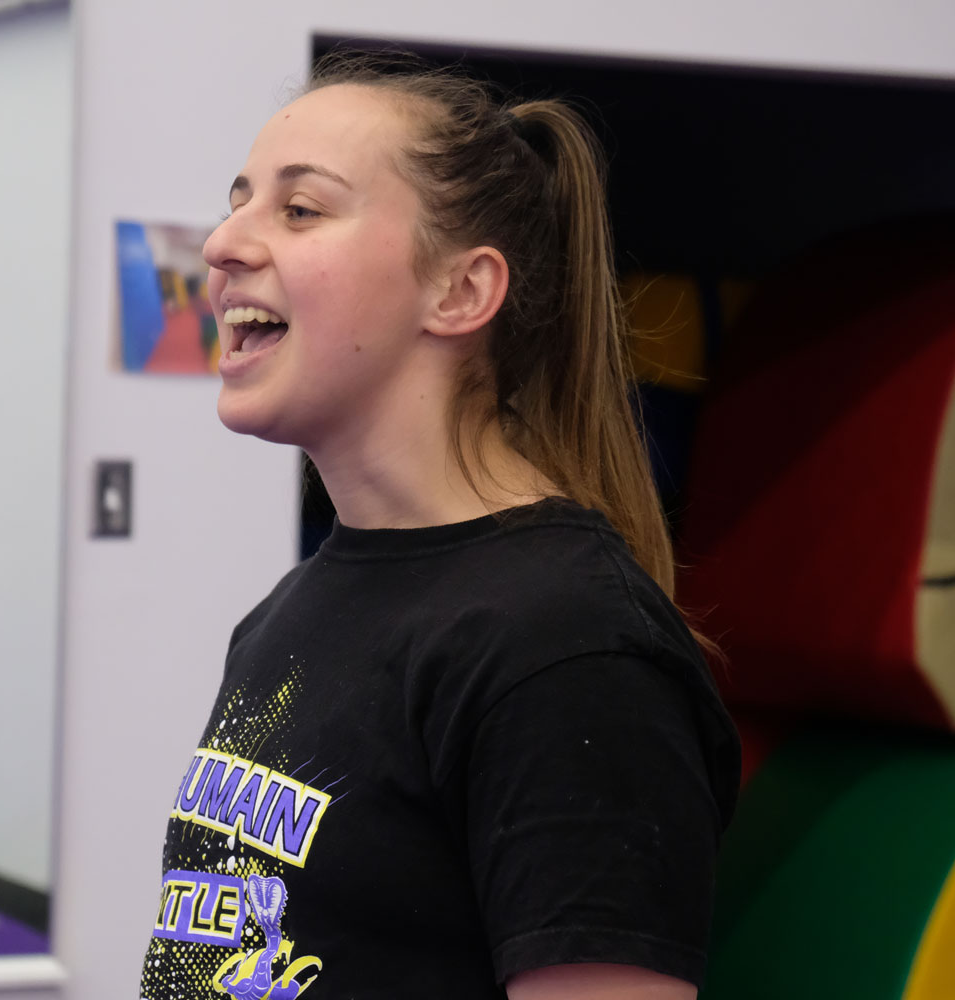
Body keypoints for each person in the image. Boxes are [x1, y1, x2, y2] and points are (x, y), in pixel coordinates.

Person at [139, 53, 740, 1000]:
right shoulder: (289, 614)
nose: (220, 244)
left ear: (460, 292)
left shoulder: (569, 650)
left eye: (300, 210)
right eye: (238, 201)